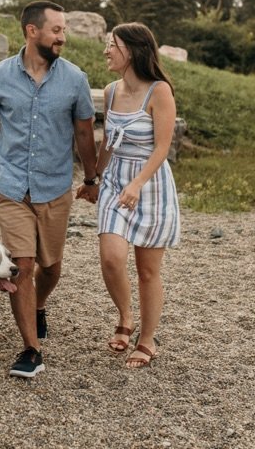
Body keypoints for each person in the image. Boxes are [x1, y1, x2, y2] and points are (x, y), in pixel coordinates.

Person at [0, 0, 100, 378]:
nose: (63, 36)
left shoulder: (75, 79)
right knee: (22, 266)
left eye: (63, 30)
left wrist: (91, 179)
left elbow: (83, 133)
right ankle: (31, 350)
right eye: (56, 30)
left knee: (51, 267)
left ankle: (38, 305)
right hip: (10, 186)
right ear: (32, 31)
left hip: (55, 188)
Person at [94, 22, 180, 368]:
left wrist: (139, 183)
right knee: (111, 256)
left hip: (151, 183)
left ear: (131, 50)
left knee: (147, 269)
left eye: (111, 45)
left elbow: (163, 147)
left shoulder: (159, 91)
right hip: (116, 181)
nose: (106, 51)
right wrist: (92, 178)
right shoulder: (111, 91)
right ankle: (125, 315)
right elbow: (107, 143)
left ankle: (146, 340)